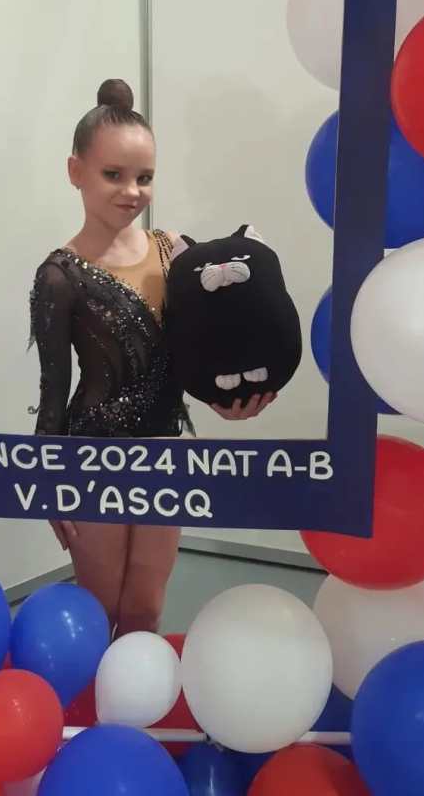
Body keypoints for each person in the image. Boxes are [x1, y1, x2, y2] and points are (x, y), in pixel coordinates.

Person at [30, 85, 276, 636]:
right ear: (75, 171)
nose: (131, 191)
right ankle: (93, 690)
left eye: (144, 177)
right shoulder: (59, 275)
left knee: (145, 605)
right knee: (100, 606)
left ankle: (138, 689)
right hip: (93, 455)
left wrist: (229, 400)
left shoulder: (175, 252)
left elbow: (205, 352)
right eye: (113, 175)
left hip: (166, 449)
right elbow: (53, 391)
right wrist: (47, 478)